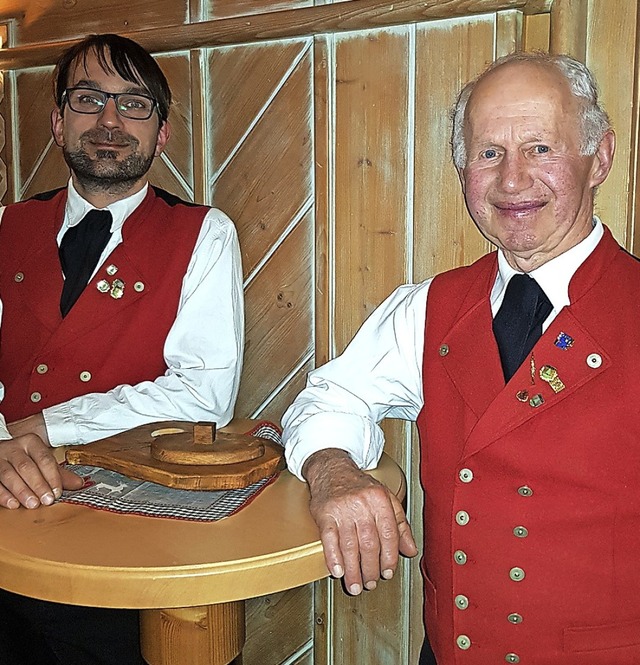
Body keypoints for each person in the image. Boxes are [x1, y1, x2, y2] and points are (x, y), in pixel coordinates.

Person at [282, 51, 638, 664]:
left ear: (599, 157)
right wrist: (333, 471)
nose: (512, 180)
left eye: (540, 148)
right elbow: (331, 396)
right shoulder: (431, 307)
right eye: (488, 153)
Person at [0, 34, 243, 664]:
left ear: (162, 133)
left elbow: (203, 397)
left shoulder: (205, 234)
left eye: (134, 104)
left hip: (129, 535)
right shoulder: (7, 227)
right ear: (58, 122)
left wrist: (38, 425)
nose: (109, 121)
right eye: (88, 99)